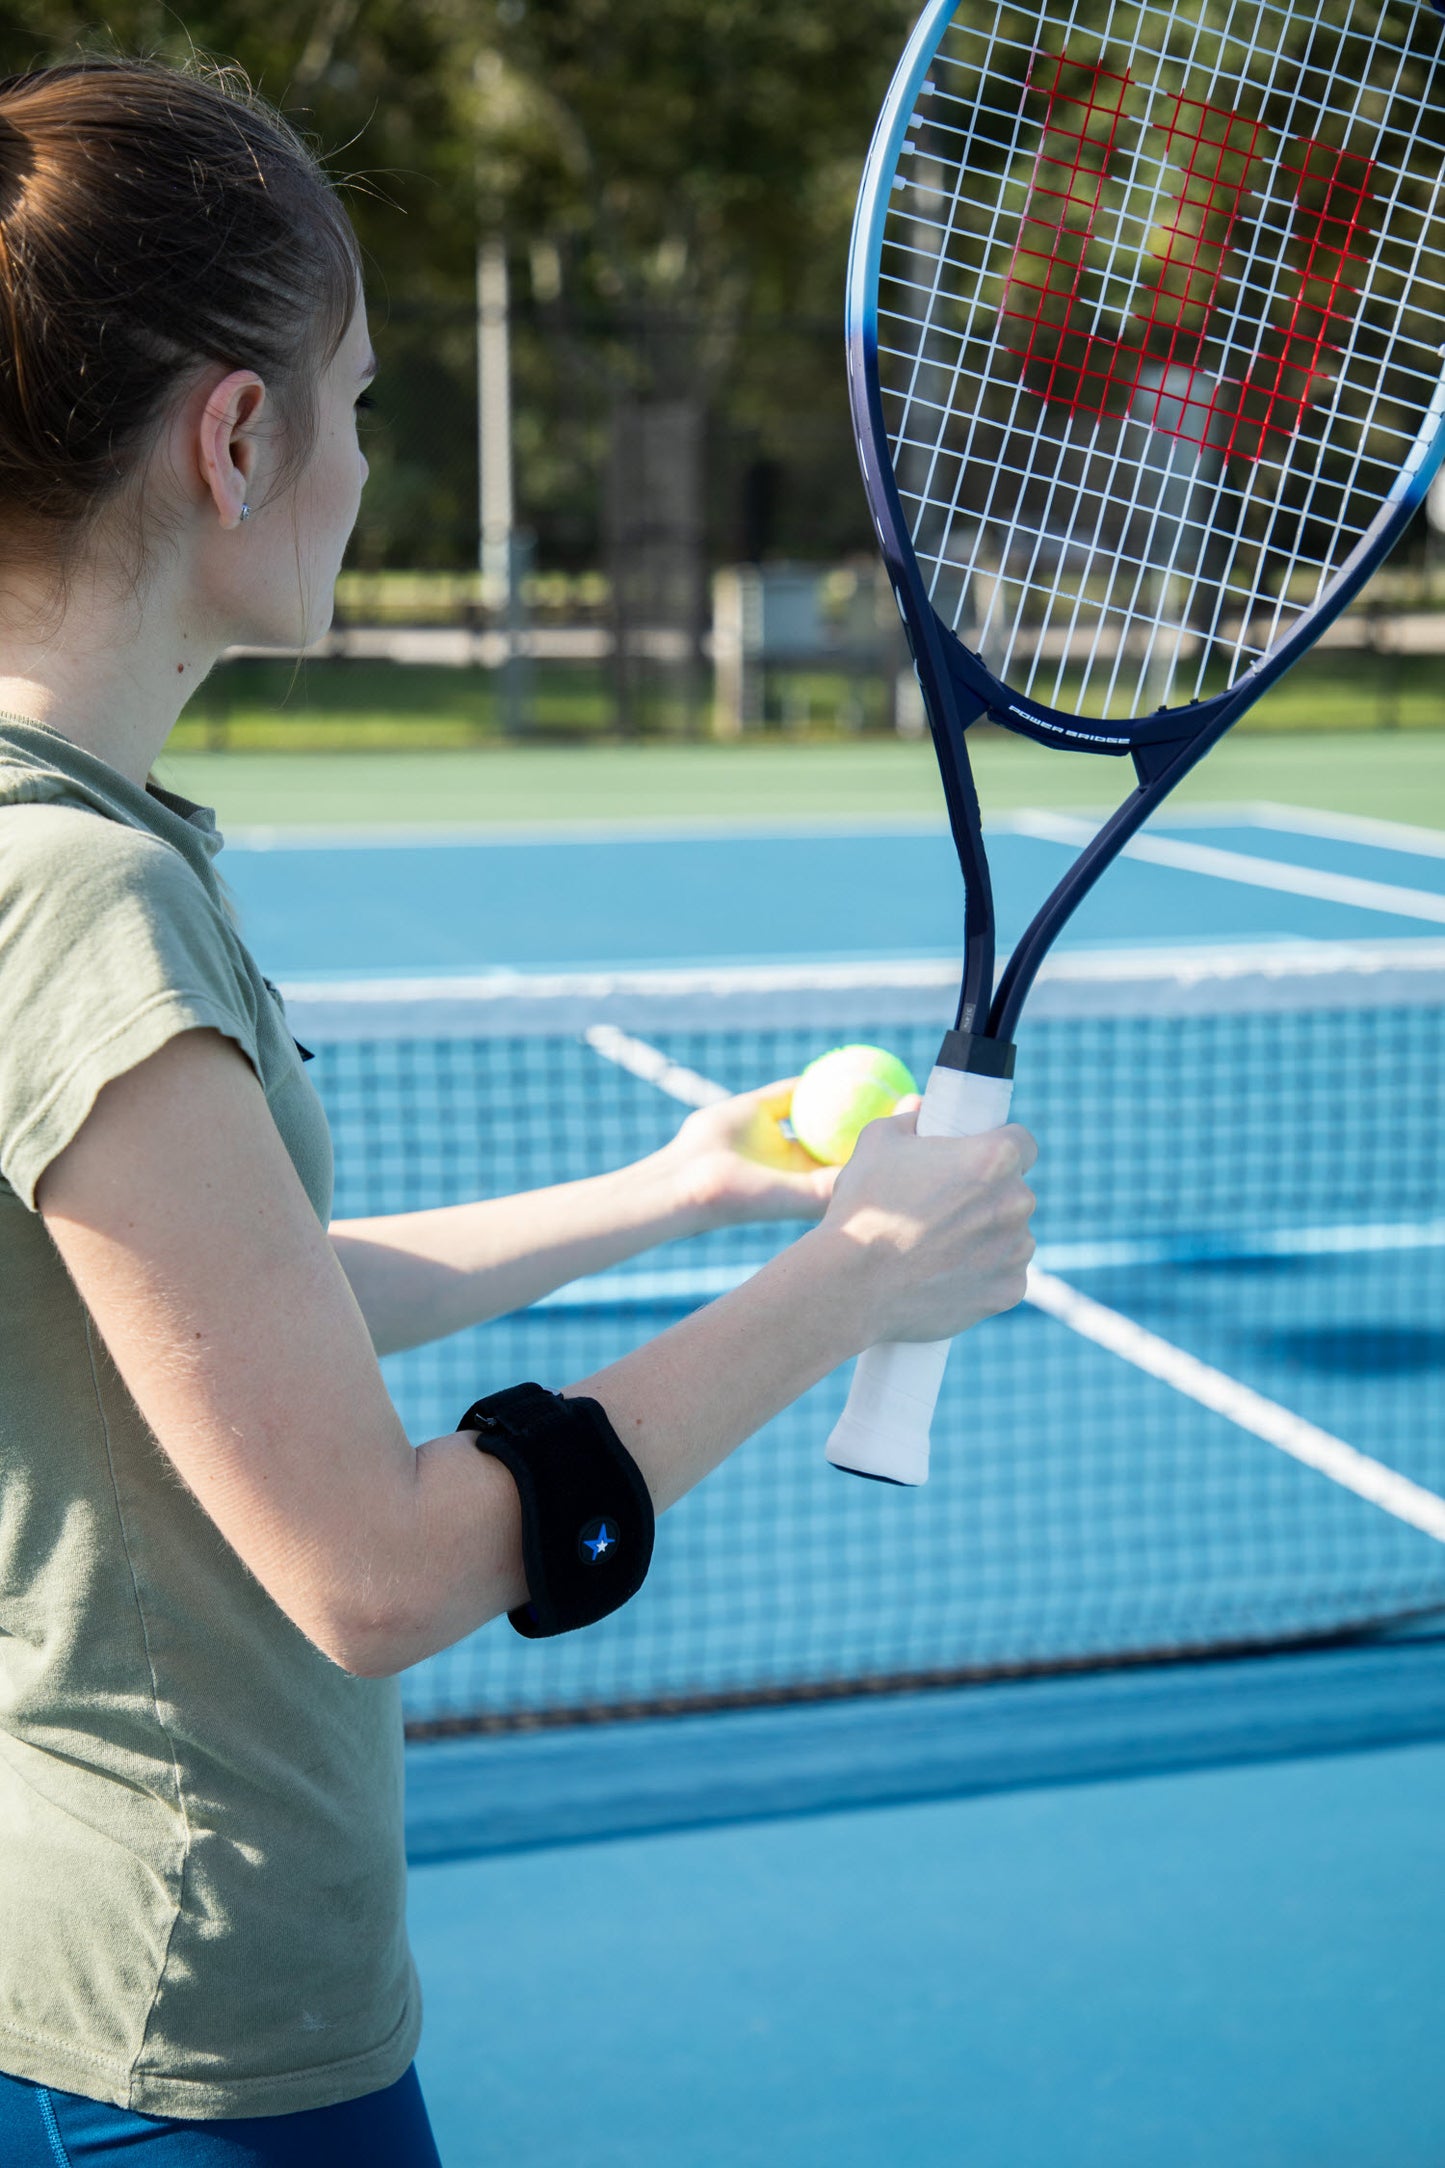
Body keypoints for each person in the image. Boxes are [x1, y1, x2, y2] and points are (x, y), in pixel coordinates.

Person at [0, 54, 1037, 2166]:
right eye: (361, 402)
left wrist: (672, 1189)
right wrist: (847, 1278)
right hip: (191, 2041)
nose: (368, 460)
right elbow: (374, 1568)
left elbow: (225, 1322)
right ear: (234, 435)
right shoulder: (80, 894)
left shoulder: (57, 842)